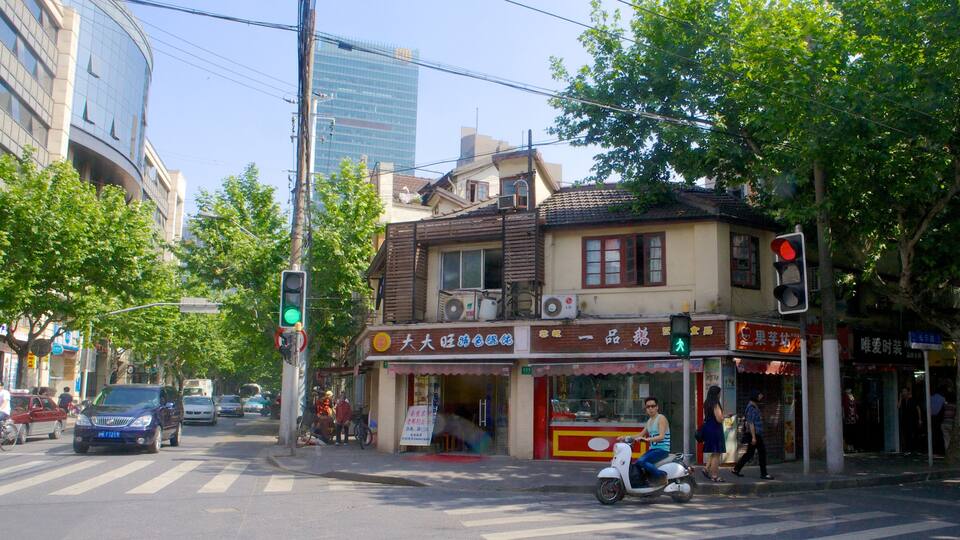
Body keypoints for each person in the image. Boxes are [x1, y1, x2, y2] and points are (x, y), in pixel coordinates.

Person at [618, 397, 671, 486]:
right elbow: (640, 435)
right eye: (648, 407)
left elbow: (661, 436)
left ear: (657, 407)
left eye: (653, 406)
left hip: (662, 449)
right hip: (653, 450)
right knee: (636, 464)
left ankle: (662, 476)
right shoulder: (649, 421)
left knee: (641, 461)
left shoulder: (661, 418)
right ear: (646, 409)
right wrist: (625, 437)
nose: (650, 408)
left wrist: (646, 440)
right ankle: (644, 483)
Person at [733, 391, 773, 480]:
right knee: (762, 453)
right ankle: (764, 473)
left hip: (755, 434)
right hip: (755, 434)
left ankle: (736, 469)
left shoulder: (754, 406)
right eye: (759, 395)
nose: (760, 397)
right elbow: (750, 423)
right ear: (754, 396)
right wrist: (754, 437)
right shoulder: (751, 407)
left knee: (749, 453)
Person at [701, 385, 726, 482]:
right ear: (716, 394)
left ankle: (706, 469)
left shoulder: (707, 403)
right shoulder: (715, 403)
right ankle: (715, 476)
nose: (720, 395)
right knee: (717, 453)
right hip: (715, 429)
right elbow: (719, 419)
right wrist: (724, 417)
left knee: (714, 451)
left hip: (709, 429)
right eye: (719, 393)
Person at [899, 387, 921, 454]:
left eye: (905, 391)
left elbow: (918, 409)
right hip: (905, 420)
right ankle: (908, 449)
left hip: (913, 419)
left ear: (908, 392)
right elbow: (898, 406)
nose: (904, 393)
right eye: (903, 391)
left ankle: (914, 449)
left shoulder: (913, 400)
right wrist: (900, 398)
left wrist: (920, 419)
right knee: (906, 434)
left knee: (913, 434)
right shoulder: (902, 400)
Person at [931, 384, 947, 456]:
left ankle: (934, 450)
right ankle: (940, 451)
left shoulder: (930, 398)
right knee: (940, 435)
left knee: (934, 434)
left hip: (932, 417)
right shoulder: (943, 398)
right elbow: (945, 408)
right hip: (939, 418)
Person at [842, 388, 859, 453]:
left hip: (853, 417)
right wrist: (844, 415)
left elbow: (854, 405)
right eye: (848, 389)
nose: (849, 390)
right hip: (848, 417)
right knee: (848, 431)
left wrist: (856, 413)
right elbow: (844, 406)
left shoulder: (852, 396)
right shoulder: (844, 396)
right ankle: (849, 446)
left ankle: (852, 446)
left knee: (853, 431)